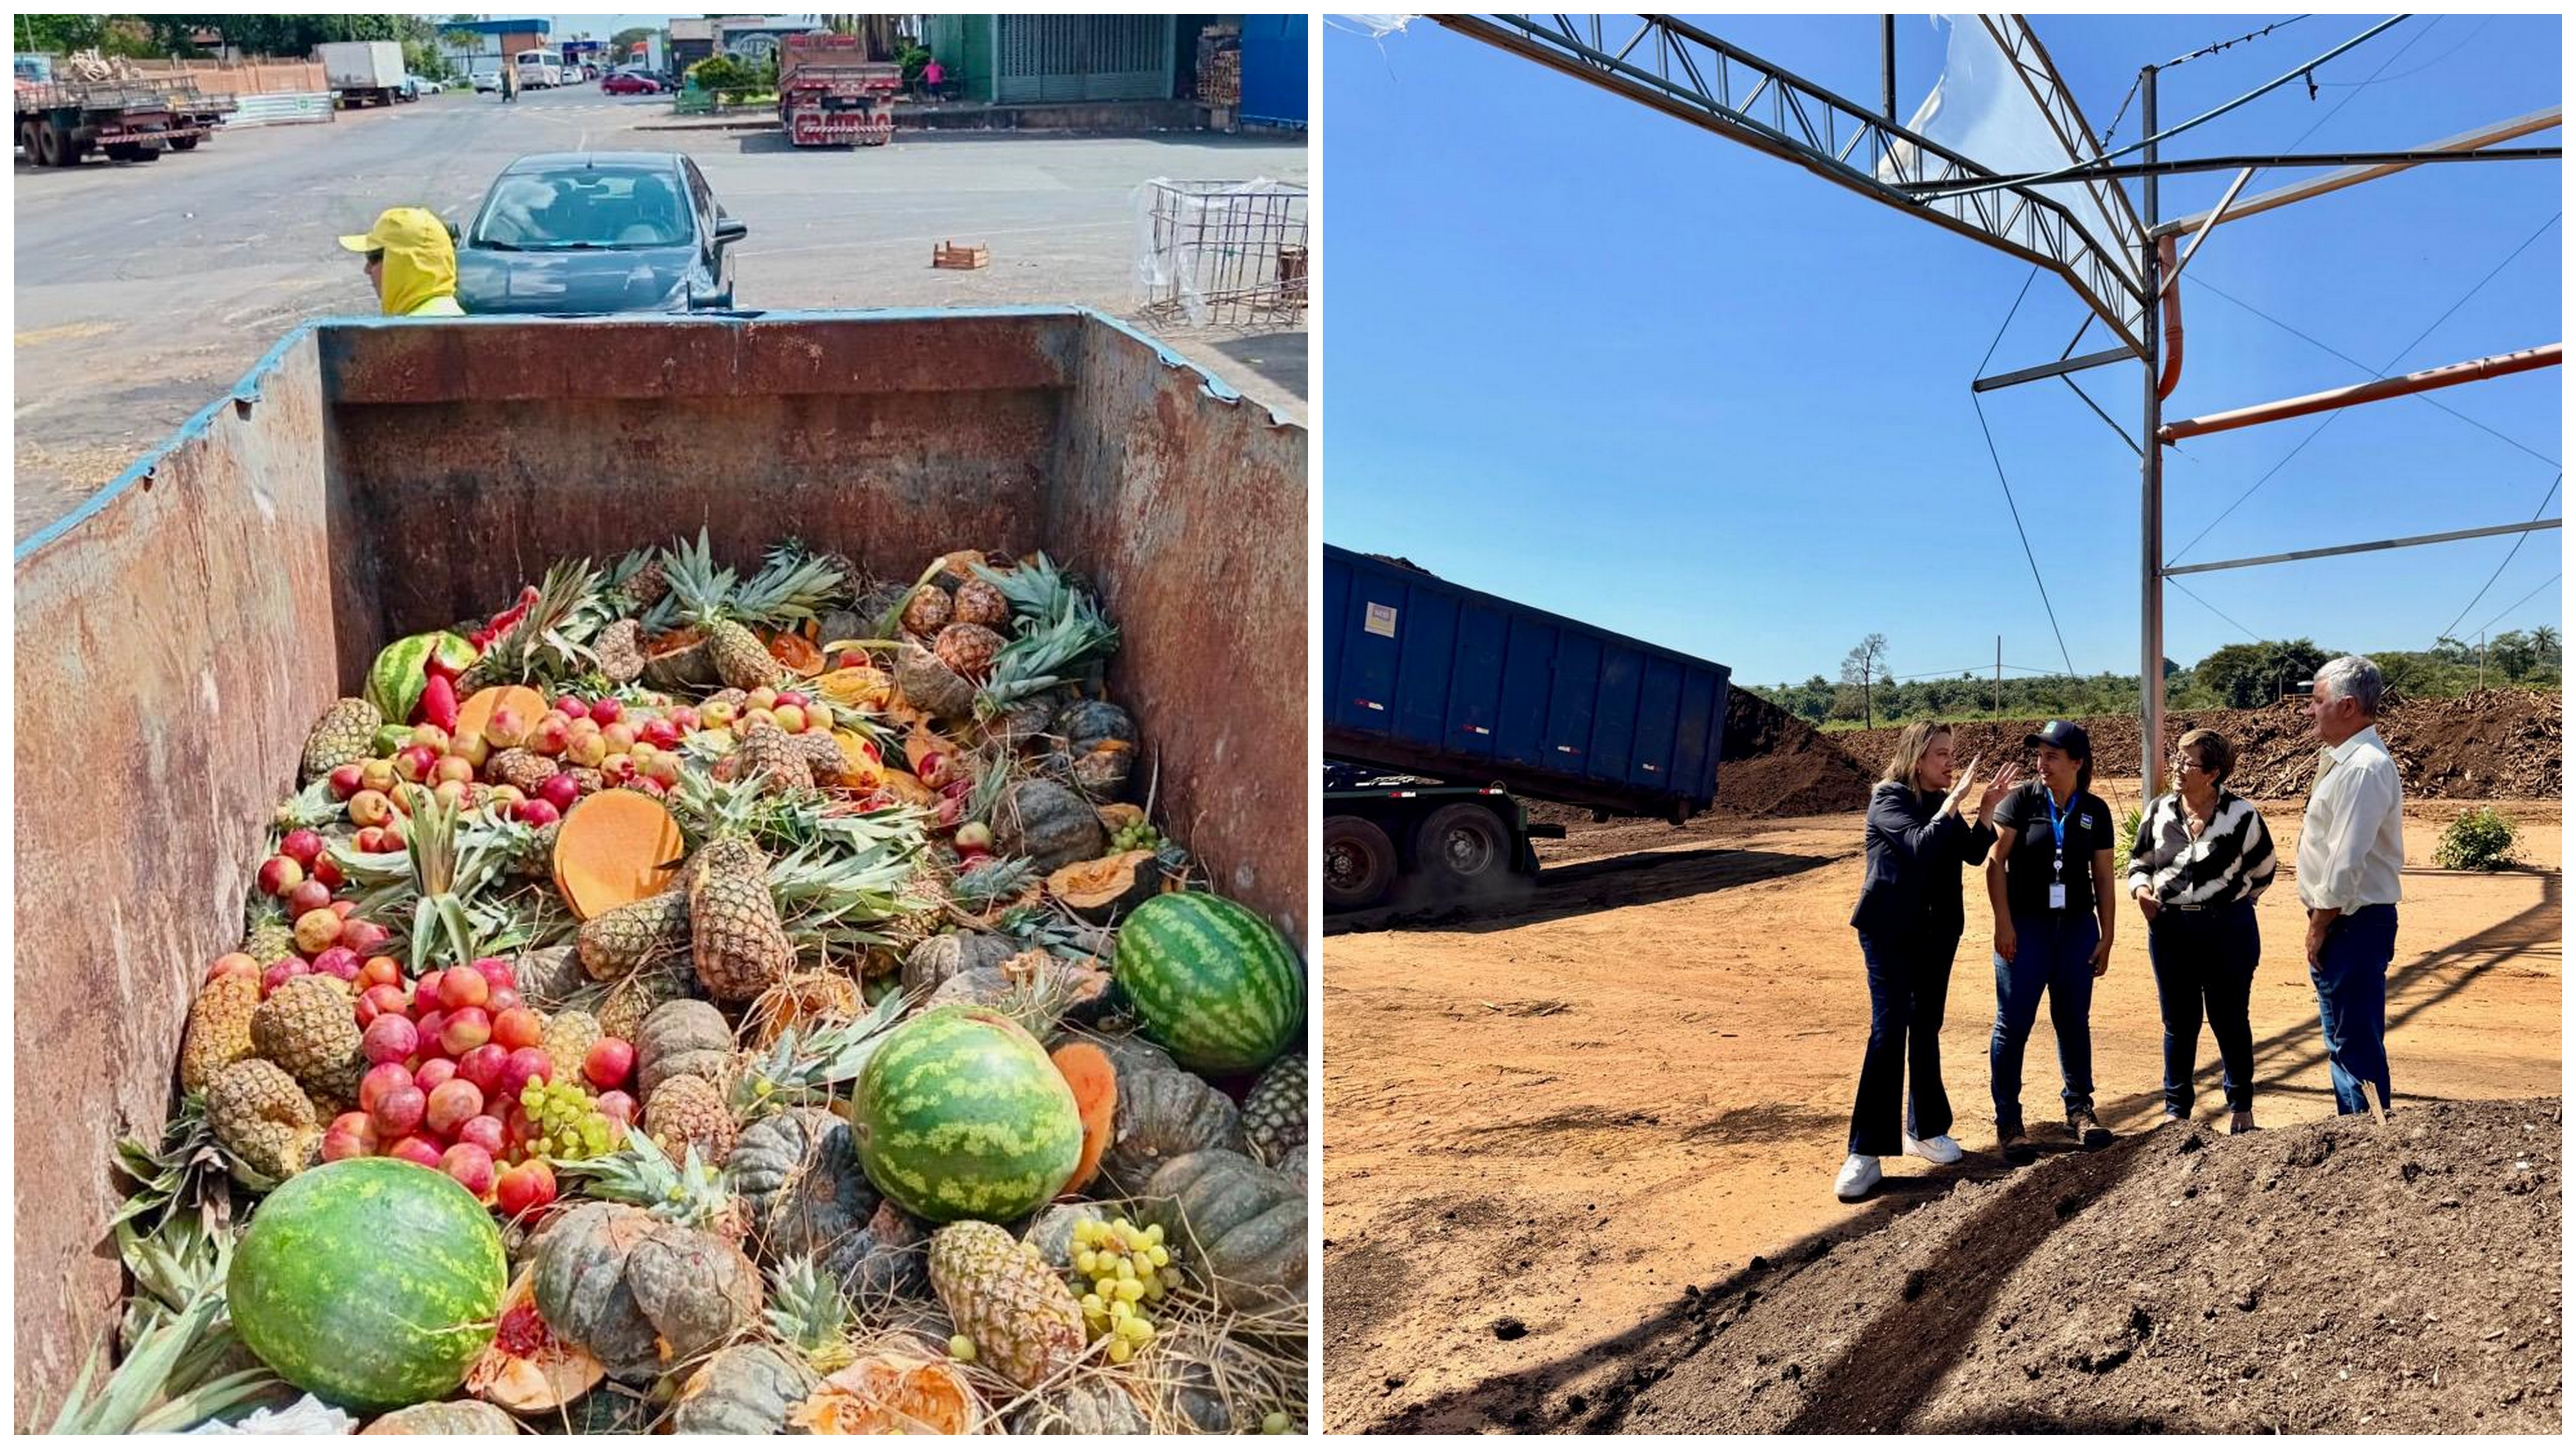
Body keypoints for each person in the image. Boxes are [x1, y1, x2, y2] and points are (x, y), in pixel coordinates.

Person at [1836, 722, 2020, 1201]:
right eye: (1941, 754)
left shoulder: (1939, 803)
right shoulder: (1889, 797)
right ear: (1917, 757)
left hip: (1937, 935)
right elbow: (1919, 846)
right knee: (1889, 1029)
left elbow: (1973, 854)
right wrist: (1954, 801)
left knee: (1926, 1026)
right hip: (1890, 933)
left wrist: (1985, 811)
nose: (1950, 762)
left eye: (1951, 754)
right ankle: (1866, 1152)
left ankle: (1927, 1129)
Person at [1983, 720, 2120, 1164]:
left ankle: (2079, 1110)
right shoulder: (2021, 801)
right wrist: (2004, 924)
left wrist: (2107, 934)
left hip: (2076, 929)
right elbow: (1994, 863)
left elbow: (2103, 876)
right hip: (2027, 929)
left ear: (2077, 763)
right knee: (2014, 1024)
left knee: (2073, 1021)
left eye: (2052, 756)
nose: (2041, 764)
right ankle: (2010, 1122)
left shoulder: (2095, 811)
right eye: (2039, 756)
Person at [2129, 728, 2277, 1135]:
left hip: (2227, 929)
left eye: (2186, 762)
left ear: (2212, 773)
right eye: (2176, 758)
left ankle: (2242, 1109)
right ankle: (2177, 1113)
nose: (2176, 767)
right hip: (2171, 929)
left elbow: (2264, 870)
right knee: (2179, 1022)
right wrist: (2142, 891)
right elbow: (2139, 862)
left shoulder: (2242, 816)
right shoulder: (2159, 811)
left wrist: (2234, 905)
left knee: (2230, 1019)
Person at [2298, 656, 2404, 1118]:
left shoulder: (2363, 768)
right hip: (2346, 921)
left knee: (2354, 1044)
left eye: (2317, 701)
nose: (2309, 710)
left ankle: (2371, 1142)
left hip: (2350, 923)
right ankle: (2357, 1138)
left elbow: (2345, 861)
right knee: (2344, 1040)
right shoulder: (2347, 762)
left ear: (2346, 706)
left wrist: (2320, 924)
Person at [337, 208, 465, 316]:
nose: (367, 269)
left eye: (373, 258)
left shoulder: (405, 334)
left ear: (405, 264)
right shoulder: (455, 314)